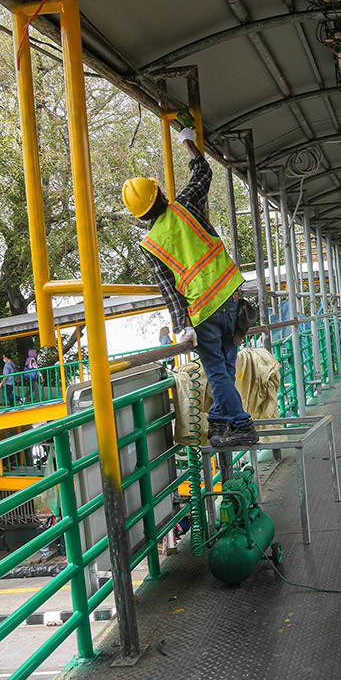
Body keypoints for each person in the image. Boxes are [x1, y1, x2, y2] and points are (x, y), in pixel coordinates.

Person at [123, 126, 257, 448]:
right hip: (232, 295)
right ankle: (220, 420)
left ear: (141, 216)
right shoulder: (185, 205)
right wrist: (187, 142)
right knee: (225, 363)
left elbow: (168, 289)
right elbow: (203, 171)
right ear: (159, 194)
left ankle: (241, 424)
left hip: (203, 309)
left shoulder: (150, 243)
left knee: (216, 371)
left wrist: (181, 325)